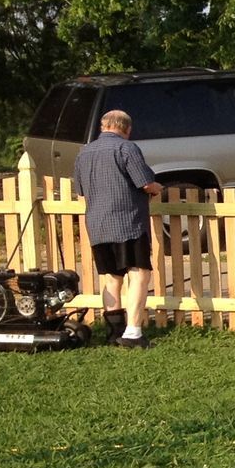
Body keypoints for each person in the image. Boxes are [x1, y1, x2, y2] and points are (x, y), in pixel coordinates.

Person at [74, 108, 162, 347]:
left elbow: (80, 190)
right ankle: (133, 334)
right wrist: (158, 188)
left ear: (103, 127)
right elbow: (145, 183)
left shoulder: (84, 153)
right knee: (139, 273)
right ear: (127, 129)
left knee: (111, 278)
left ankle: (114, 334)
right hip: (127, 222)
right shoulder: (126, 148)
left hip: (97, 225)